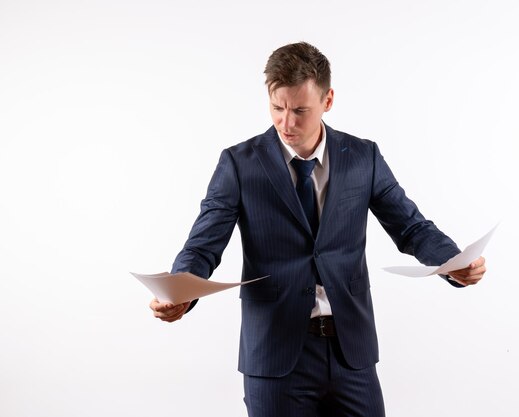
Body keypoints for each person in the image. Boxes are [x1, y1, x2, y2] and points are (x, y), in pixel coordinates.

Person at [149, 42, 486, 417]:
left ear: (328, 101)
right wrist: (179, 290)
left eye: (300, 110)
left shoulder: (363, 157)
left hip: (351, 354)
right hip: (276, 358)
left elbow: (410, 226)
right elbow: (203, 245)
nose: (287, 123)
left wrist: (455, 262)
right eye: (278, 108)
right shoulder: (239, 164)